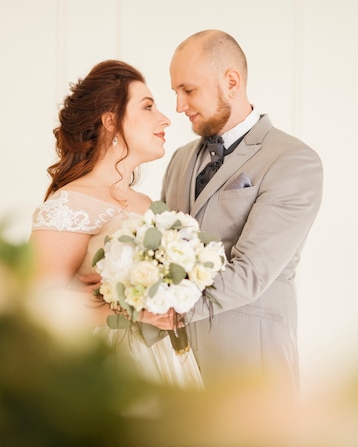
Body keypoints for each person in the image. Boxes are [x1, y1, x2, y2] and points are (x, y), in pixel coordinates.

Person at [161, 30, 323, 396]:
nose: (178, 105)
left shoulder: (293, 160)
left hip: (252, 371)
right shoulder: (179, 160)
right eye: (175, 92)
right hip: (176, 371)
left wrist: (169, 311)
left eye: (188, 90)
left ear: (231, 82)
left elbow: (251, 272)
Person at [29, 59, 203, 390]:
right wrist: (125, 307)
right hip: (106, 369)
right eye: (148, 107)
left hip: (164, 362)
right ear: (111, 119)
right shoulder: (69, 204)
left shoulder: (148, 205)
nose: (165, 118)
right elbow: (37, 306)